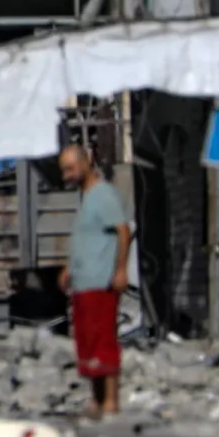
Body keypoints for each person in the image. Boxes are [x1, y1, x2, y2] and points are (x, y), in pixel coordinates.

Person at [58, 145, 133, 419]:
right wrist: (69, 268)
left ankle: (111, 401)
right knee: (87, 342)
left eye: (70, 168)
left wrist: (121, 270)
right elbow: (86, 238)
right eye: (64, 170)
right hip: (84, 282)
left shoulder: (103, 194)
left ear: (86, 163)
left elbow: (123, 231)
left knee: (103, 340)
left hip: (101, 281)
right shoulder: (86, 198)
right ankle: (96, 400)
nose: (67, 175)